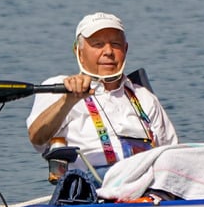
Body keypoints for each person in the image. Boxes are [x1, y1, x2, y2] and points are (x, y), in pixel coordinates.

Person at [27, 12, 179, 179]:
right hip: (90, 195)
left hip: (147, 190)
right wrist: (68, 101)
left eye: (115, 44)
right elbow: (37, 138)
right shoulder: (59, 86)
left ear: (125, 49)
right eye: (98, 44)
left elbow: (174, 155)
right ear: (79, 52)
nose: (108, 51)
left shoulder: (144, 97)